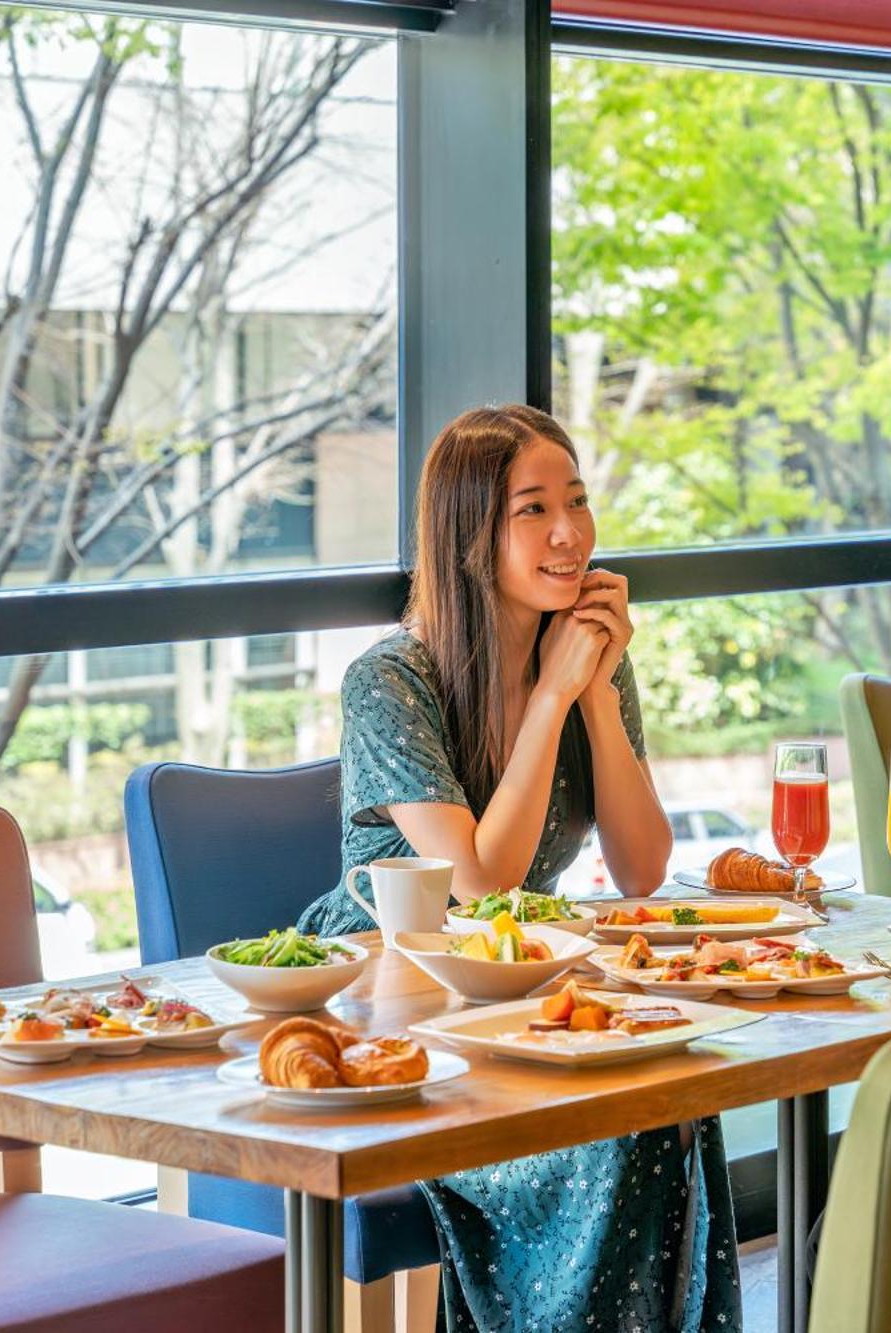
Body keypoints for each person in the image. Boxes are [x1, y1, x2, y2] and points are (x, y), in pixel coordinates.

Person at [295, 405, 739, 1332]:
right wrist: (552, 696)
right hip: (394, 999)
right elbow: (480, 881)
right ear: (469, 536)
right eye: (532, 510)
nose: (569, 532)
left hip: (516, 984)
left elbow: (644, 866)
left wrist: (599, 696)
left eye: (575, 500)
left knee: (666, 1097)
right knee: (619, 1126)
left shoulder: (580, 658)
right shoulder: (390, 682)